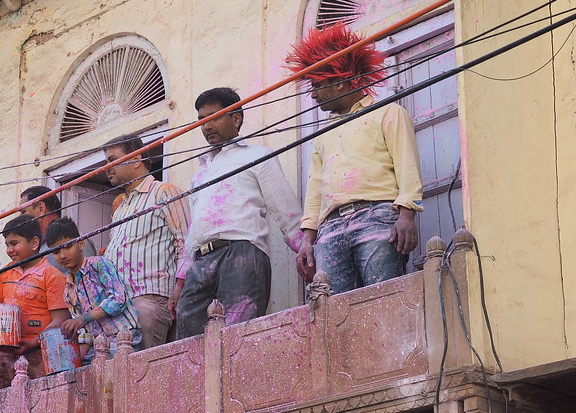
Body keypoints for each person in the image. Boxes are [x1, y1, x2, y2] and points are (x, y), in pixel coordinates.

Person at [285, 23, 423, 294]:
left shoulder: (388, 113)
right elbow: (315, 190)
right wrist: (307, 240)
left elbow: (408, 168)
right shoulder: (323, 133)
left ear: (339, 81)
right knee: (332, 312)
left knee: (383, 300)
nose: (312, 94)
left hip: (377, 217)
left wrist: (407, 216)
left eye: (317, 85)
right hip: (330, 228)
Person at [174, 88, 304, 338]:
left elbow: (286, 210)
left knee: (237, 338)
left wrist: (306, 250)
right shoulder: (200, 173)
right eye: (201, 120)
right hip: (200, 261)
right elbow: (194, 231)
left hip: (242, 253)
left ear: (236, 118)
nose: (206, 125)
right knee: (188, 341)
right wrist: (181, 278)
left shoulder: (257, 155)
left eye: (214, 117)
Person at [102, 134, 190, 348]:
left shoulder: (165, 193)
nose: (107, 167)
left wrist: (180, 289)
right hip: (118, 308)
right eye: (106, 162)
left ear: (136, 159)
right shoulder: (120, 208)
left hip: (150, 301)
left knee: (146, 374)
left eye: (113, 159)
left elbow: (187, 243)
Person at [0, 215, 69, 389]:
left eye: (14, 243)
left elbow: (61, 319)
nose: (9, 250)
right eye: (7, 245)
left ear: (34, 243)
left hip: (40, 352)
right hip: (6, 352)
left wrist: (32, 342)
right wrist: (2, 311)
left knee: (36, 405)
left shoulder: (51, 275)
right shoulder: (7, 272)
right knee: (2, 406)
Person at [46, 217, 142, 360]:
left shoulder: (98, 264)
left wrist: (83, 319)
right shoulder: (68, 291)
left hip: (126, 338)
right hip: (99, 347)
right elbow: (85, 334)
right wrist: (76, 361)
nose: (63, 255)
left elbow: (118, 299)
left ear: (81, 244)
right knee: (78, 372)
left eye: (67, 246)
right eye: (56, 251)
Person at [19, 185, 96, 274]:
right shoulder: (35, 247)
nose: (20, 218)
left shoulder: (77, 240)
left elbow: (89, 281)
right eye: (56, 252)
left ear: (41, 208)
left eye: (23, 212)